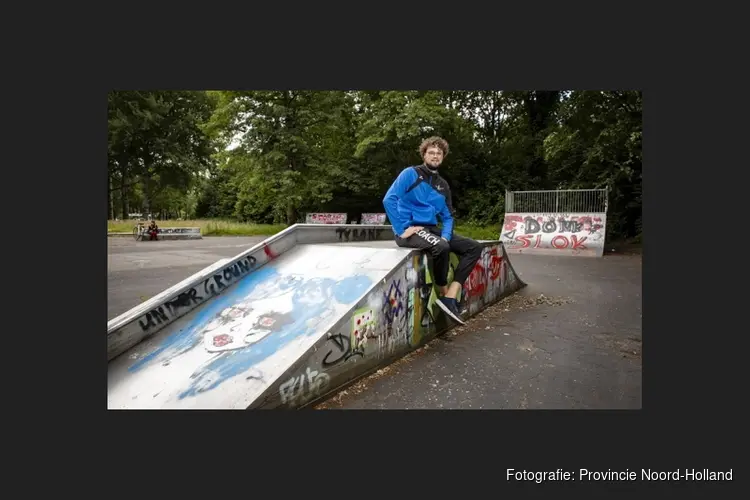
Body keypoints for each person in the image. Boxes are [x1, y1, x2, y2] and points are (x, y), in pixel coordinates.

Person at [382, 136, 483, 325]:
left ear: (443, 157)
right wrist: (402, 229)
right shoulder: (410, 174)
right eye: (431, 152)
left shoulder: (442, 185)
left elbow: (448, 217)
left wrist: (445, 236)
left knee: (474, 247)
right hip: (410, 230)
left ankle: (451, 296)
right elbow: (389, 200)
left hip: (431, 230)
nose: (435, 156)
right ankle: (444, 293)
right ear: (424, 154)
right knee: (441, 248)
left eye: (439, 153)